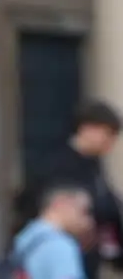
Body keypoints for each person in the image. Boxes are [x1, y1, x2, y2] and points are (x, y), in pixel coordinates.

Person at [17, 101, 123, 278]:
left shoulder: (94, 164)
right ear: (88, 128)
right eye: (107, 134)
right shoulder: (56, 164)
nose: (110, 143)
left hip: (87, 255)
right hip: (62, 250)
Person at [13, 182, 92, 279]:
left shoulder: (25, 238)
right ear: (61, 204)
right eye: (83, 211)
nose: (88, 221)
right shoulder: (60, 246)